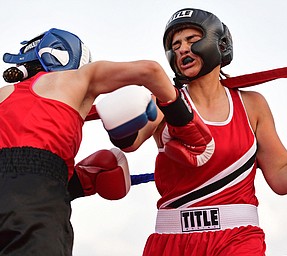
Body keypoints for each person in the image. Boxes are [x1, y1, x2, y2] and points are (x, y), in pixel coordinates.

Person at [97, 8, 287, 255]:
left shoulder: (252, 105)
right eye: (175, 44)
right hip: (172, 240)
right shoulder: (165, 102)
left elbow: (280, 177)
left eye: (192, 40)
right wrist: (119, 122)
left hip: (237, 238)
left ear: (219, 44)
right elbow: (130, 143)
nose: (182, 49)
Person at [0, 28, 178, 255]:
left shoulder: (4, 93)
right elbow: (150, 70)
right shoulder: (80, 77)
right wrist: (182, 113)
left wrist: (75, 184)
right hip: (37, 206)